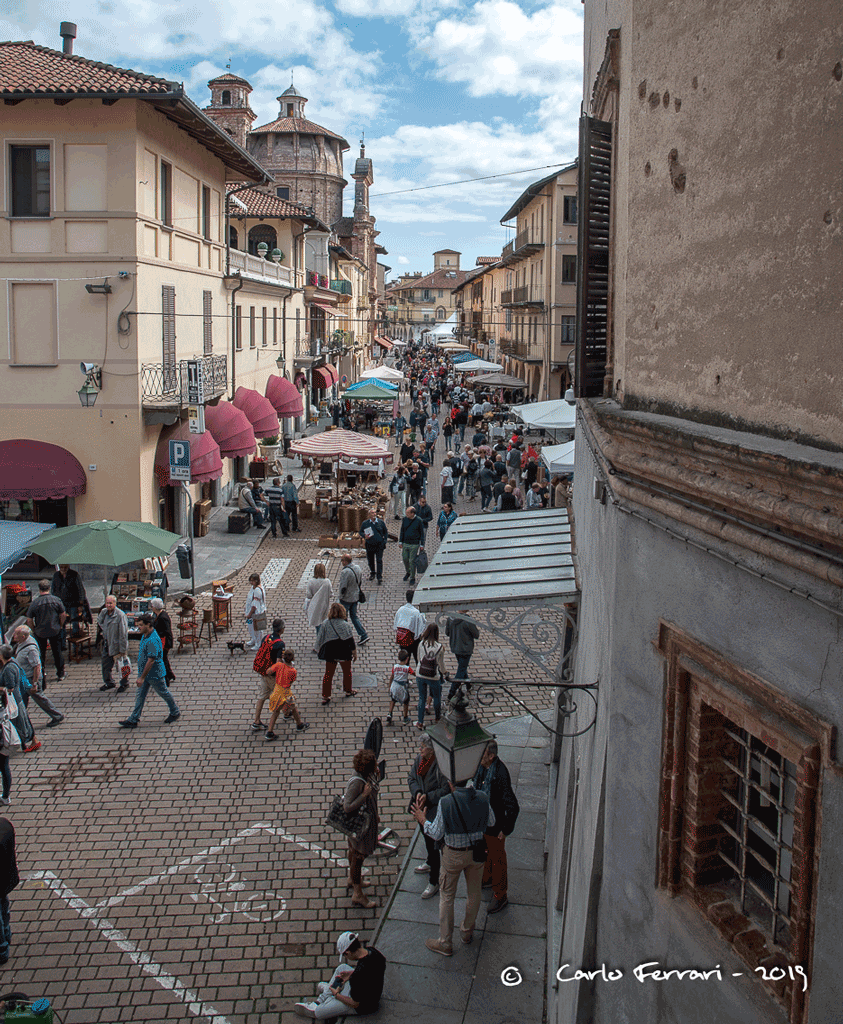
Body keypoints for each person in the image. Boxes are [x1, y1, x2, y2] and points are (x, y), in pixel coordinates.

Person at [410, 768, 495, 956]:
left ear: (450, 784)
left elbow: (436, 833)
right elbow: (491, 821)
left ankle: (445, 942)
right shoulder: (482, 797)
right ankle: (467, 932)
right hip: (476, 854)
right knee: (474, 894)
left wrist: (423, 820)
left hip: (453, 855)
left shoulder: (446, 802)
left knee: (447, 896)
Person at [292, 930, 386, 1020]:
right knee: (342, 968)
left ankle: (322, 1002)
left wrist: (337, 995)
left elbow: (355, 1003)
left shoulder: (357, 977)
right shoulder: (373, 952)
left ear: (348, 953)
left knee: (320, 1012)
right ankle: (324, 996)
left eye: (344, 955)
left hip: (364, 1006)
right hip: (371, 992)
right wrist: (351, 973)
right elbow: (370, 972)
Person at [473, 740, 519, 915]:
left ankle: (500, 895)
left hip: (495, 827)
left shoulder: (499, 774)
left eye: (483, 753)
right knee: (486, 854)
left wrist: (505, 830)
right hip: (483, 823)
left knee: (498, 860)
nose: (480, 756)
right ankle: (487, 879)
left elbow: (513, 806)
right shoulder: (482, 768)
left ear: (491, 756)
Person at [408, 734, 450, 900]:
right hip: (420, 806)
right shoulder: (421, 760)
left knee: (434, 844)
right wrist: (418, 792)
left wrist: (428, 796)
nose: (420, 749)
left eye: (423, 747)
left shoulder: (441, 766)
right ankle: (429, 862)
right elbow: (412, 778)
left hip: (433, 810)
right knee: (425, 838)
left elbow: (445, 790)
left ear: (431, 750)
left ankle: (434, 880)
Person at [119, 614, 180, 728]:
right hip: (145, 673)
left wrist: (141, 678)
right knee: (140, 695)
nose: (139, 628)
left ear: (148, 624)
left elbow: (151, 660)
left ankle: (175, 711)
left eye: (141, 625)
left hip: (154, 674)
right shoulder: (146, 635)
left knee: (163, 692)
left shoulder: (152, 640)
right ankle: (134, 718)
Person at [342, 749, 380, 909]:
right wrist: (364, 795)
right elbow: (347, 806)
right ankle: (357, 894)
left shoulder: (364, 776)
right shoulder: (357, 782)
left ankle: (352, 879)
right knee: (358, 857)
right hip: (359, 827)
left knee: (353, 851)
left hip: (362, 825)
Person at [12, 626, 64, 728]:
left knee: (40, 698)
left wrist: (34, 684)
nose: (13, 635)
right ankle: (20, 720)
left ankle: (57, 715)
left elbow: (37, 666)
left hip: (30, 678)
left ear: (23, 636)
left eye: (16, 634)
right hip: (23, 677)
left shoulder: (31, 649)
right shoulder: (23, 642)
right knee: (21, 699)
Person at [26, 579, 67, 682]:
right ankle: (60, 673)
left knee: (41, 653)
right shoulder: (56, 600)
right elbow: (63, 614)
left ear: (39, 589)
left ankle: (42, 672)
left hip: (40, 631)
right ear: (49, 588)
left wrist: (34, 629)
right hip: (55, 629)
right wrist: (60, 625)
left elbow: (29, 619)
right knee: (57, 652)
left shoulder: (35, 603)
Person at [316, 604, 357, 705]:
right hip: (344, 652)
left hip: (330, 652)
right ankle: (348, 690)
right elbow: (350, 639)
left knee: (328, 674)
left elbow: (320, 637)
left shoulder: (325, 623)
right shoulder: (345, 624)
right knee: (347, 672)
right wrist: (354, 652)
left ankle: (326, 696)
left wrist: (318, 649)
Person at [264, 649, 309, 739]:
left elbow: (268, 671)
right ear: (293, 658)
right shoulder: (293, 671)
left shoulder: (279, 665)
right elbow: (292, 681)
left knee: (275, 712)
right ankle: (299, 725)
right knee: (294, 708)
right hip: (286, 692)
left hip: (277, 690)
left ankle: (270, 732)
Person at [251, 618, 286, 732]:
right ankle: (287, 713)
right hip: (272, 674)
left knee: (262, 696)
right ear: (281, 629)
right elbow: (278, 662)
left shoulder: (266, 638)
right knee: (282, 693)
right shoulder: (280, 644)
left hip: (263, 672)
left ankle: (256, 720)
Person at [415, 623, 445, 729]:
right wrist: (444, 672)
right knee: (437, 697)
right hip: (434, 675)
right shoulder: (440, 647)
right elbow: (441, 664)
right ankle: (437, 717)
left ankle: (420, 721)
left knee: (421, 698)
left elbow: (419, 659)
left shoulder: (421, 644)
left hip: (420, 674)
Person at [97, 594, 129, 693]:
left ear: (115, 603)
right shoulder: (104, 612)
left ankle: (124, 683)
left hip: (117, 645)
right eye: (107, 603)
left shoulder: (120, 615)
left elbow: (123, 633)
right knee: (105, 665)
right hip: (107, 643)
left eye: (111, 603)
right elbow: (99, 621)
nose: (109, 605)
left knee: (122, 666)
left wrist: (123, 650)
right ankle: (109, 682)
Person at [51, 564, 87, 649]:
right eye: (61, 567)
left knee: (75, 623)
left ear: (68, 567)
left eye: (65, 567)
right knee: (61, 624)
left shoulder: (74, 575)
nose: (63, 569)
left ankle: (75, 646)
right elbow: (53, 589)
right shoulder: (56, 575)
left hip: (73, 603)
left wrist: (80, 604)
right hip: (61, 604)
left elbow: (81, 589)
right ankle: (62, 645)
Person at [445, 612, 480, 698]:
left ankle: (468, 685)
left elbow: (447, 632)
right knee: (461, 670)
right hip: (466, 649)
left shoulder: (450, 618)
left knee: (462, 667)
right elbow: (476, 635)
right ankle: (452, 692)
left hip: (455, 647)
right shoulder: (468, 620)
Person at [338, 554, 369, 646]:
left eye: (342, 561)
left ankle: (345, 637)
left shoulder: (345, 572)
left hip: (346, 598)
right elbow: (359, 581)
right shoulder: (357, 568)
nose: (341, 563)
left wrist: (340, 596)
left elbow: (343, 587)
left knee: (343, 618)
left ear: (345, 561)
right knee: (354, 616)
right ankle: (363, 634)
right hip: (355, 597)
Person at [0, 817, 18, 963]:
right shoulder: (5, 825)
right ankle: (7, 933)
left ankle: (2, 950)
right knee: (3, 904)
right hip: (5, 879)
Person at [393, 590, 426, 665]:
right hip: (414, 639)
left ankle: (404, 674)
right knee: (417, 658)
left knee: (405, 660)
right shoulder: (416, 612)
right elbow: (420, 627)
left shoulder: (400, 609)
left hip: (403, 638)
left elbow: (395, 625)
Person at [304, 564, 333, 650]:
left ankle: (320, 644)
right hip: (324, 605)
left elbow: (308, 595)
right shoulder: (327, 581)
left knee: (318, 625)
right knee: (323, 623)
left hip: (315, 605)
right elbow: (331, 594)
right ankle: (322, 643)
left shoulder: (311, 582)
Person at [148, 598, 175, 683]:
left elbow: (165, 631)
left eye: (152, 606)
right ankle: (170, 674)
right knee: (164, 659)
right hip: (163, 641)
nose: (151, 607)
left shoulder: (162, 617)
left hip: (164, 642)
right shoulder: (159, 615)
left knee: (162, 659)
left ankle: (166, 677)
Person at [360, 508, 388, 584]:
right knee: (370, 560)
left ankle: (379, 577)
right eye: (372, 513)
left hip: (379, 545)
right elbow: (361, 532)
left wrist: (384, 541)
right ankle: (372, 572)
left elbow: (385, 532)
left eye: (375, 513)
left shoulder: (380, 522)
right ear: (369, 515)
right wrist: (364, 536)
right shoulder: (365, 523)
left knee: (379, 560)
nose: (374, 514)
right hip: (369, 544)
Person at [386, 649, 413, 725]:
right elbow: (414, 674)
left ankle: (390, 713)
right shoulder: (407, 668)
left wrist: (390, 686)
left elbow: (392, 676)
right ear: (407, 659)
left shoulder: (395, 667)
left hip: (394, 686)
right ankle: (405, 717)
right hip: (402, 687)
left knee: (393, 700)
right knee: (406, 701)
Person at [399, 506, 425, 585]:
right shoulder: (405, 519)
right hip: (406, 543)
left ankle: (412, 577)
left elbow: (422, 533)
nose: (406, 514)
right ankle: (408, 571)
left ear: (412, 513)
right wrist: (400, 541)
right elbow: (402, 530)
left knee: (411, 561)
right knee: (405, 559)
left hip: (414, 544)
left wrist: (422, 544)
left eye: (408, 513)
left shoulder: (419, 521)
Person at [244, 573, 267, 650]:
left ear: (256, 581)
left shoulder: (257, 590)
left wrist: (249, 614)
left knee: (257, 629)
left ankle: (258, 643)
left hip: (256, 613)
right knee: (250, 627)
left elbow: (255, 605)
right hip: (250, 613)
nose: (251, 583)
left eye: (252, 581)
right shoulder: (253, 588)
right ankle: (253, 639)